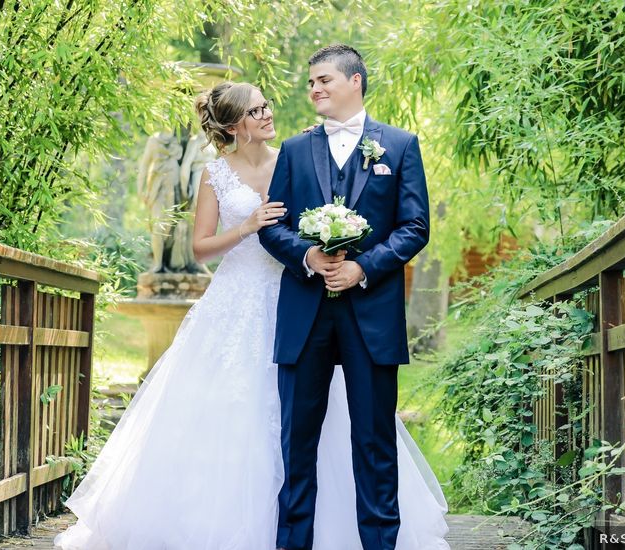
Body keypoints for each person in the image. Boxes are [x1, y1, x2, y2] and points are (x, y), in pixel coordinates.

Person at [54, 77, 449, 550]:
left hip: (301, 297)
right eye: (257, 110)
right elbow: (200, 248)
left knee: (320, 421)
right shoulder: (215, 174)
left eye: (266, 106)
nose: (267, 114)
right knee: (234, 416)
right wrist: (245, 226)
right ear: (236, 125)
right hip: (240, 299)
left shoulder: (298, 155)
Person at [258, 44, 433, 550]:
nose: (313, 89)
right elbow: (273, 228)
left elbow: (415, 226)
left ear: (355, 81)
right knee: (297, 444)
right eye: (310, 82)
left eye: (323, 80)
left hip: (370, 314)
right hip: (305, 315)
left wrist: (361, 267)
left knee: (375, 442)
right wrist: (309, 257)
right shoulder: (293, 150)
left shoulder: (399, 146)